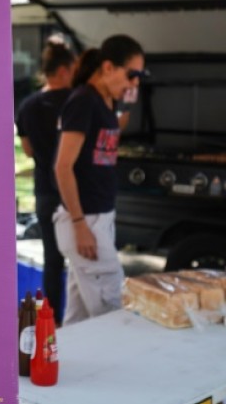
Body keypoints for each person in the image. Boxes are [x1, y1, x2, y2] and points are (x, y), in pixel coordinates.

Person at [53, 34, 146, 325]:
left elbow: (114, 126)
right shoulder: (82, 101)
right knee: (112, 315)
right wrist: (80, 224)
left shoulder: (104, 102)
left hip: (98, 217)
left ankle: (63, 367)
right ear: (108, 67)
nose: (135, 83)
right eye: (132, 74)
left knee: (79, 319)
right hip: (86, 220)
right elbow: (62, 167)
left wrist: (127, 97)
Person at [15, 37, 77, 325]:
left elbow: (27, 150)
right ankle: (84, 321)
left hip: (44, 190)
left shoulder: (28, 106)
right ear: (64, 70)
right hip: (77, 191)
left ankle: (52, 323)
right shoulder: (77, 101)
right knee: (82, 260)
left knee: (53, 260)